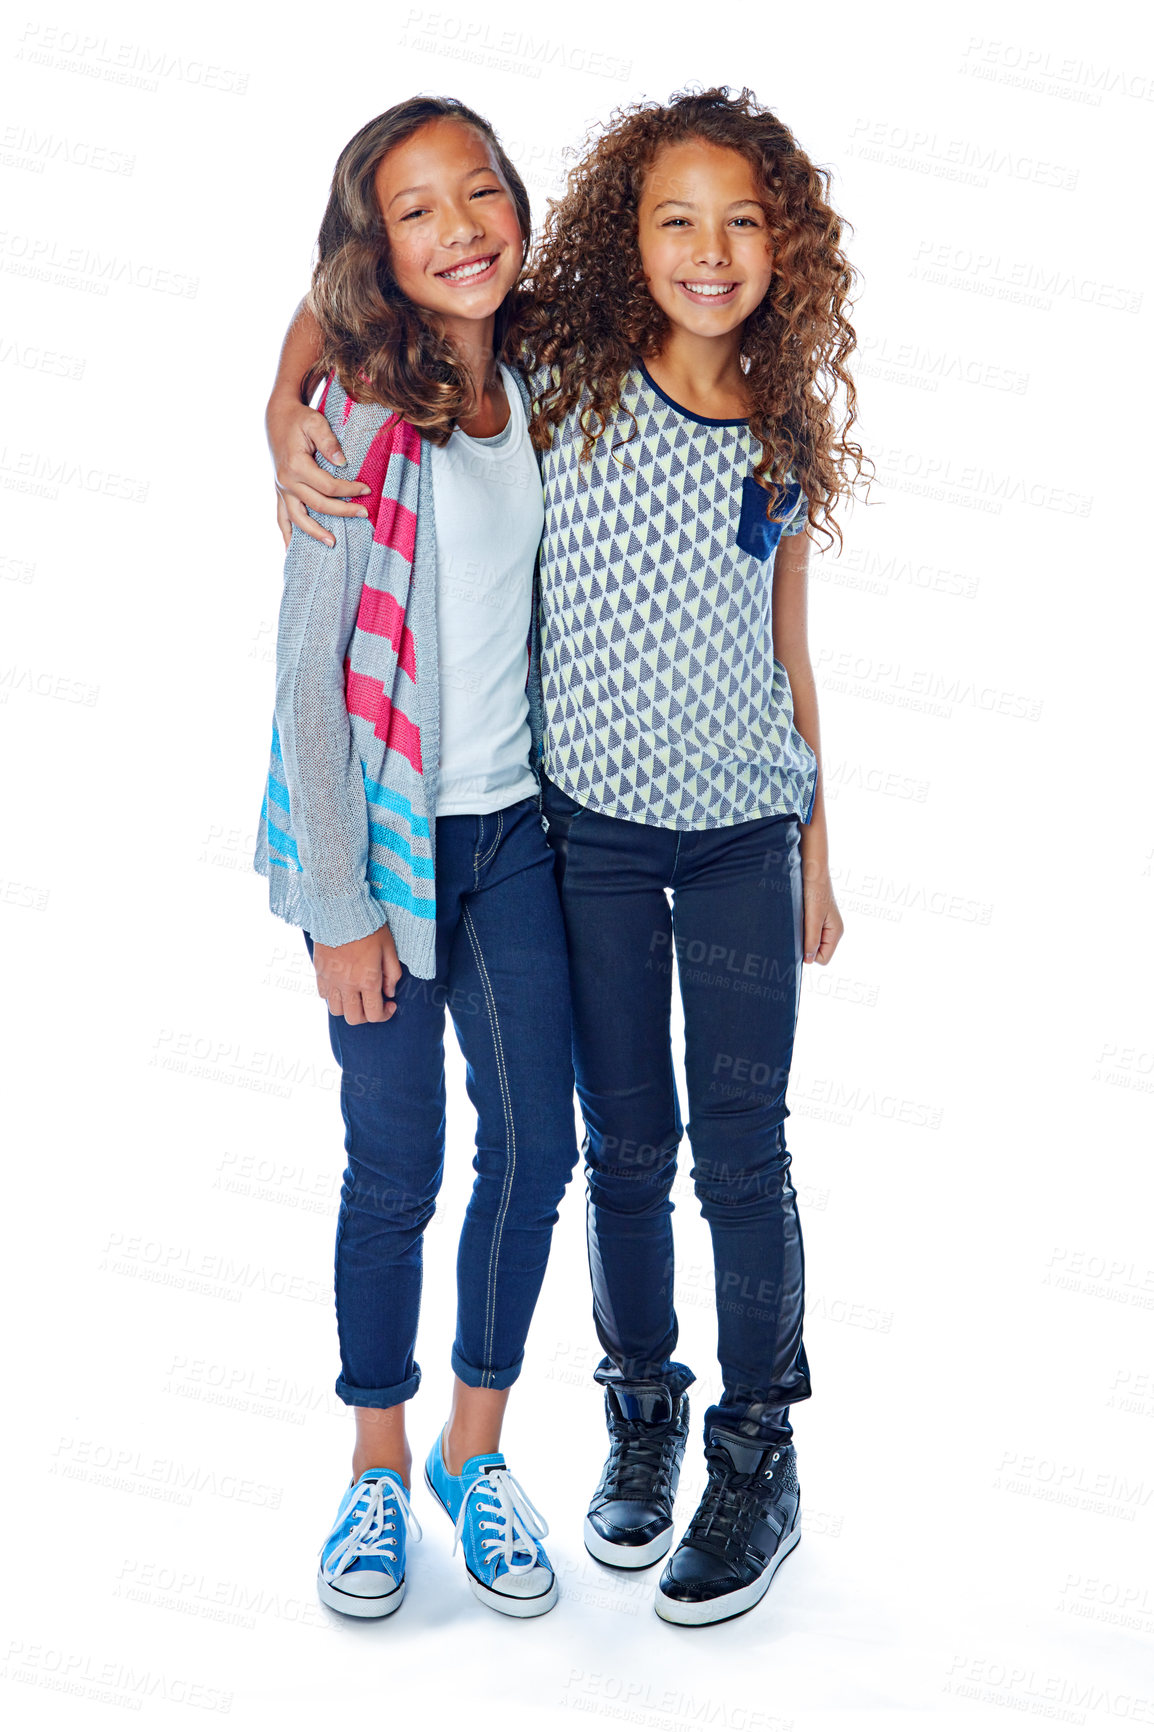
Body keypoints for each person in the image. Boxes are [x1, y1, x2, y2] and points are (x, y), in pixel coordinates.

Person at [267, 86, 867, 1626]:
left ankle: (695, 1447)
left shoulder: (674, 400)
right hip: (496, 847)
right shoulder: (461, 387)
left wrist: (821, 832)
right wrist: (285, 400)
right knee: (508, 1158)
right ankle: (504, 1447)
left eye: (741, 222)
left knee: (658, 1151)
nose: (708, 251)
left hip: (642, 834)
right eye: (673, 219)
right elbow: (363, 301)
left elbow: (789, 641)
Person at [253, 95, 579, 1621]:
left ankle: (472, 1452)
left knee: (534, 1155)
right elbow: (306, 681)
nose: (460, 228)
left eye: (480, 192)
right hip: (384, 852)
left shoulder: (544, 381)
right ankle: (376, 1468)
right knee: (395, 1171)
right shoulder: (357, 423)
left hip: (515, 837)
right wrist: (337, 907)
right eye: (416, 209)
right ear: (375, 245)